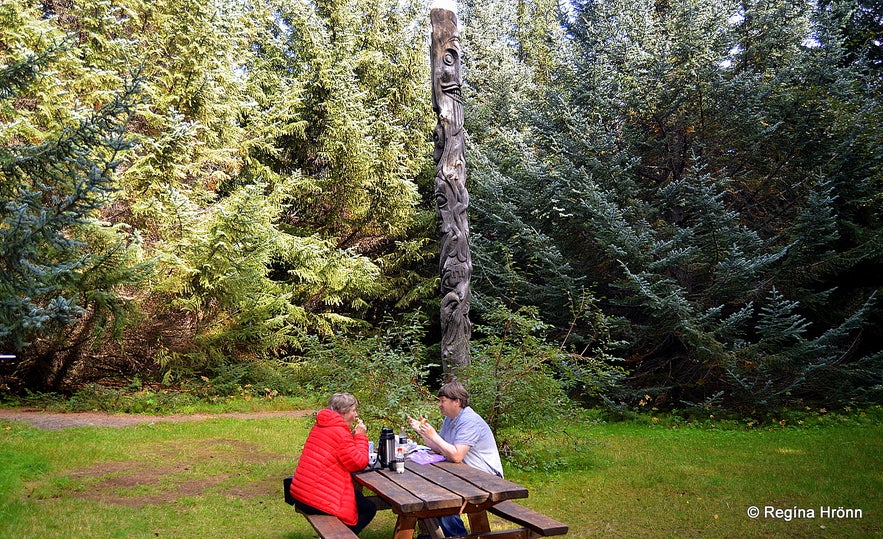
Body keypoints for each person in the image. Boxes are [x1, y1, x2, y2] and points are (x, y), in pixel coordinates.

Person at [409, 381, 503, 537]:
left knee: (442, 495)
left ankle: (456, 535)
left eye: (442, 401)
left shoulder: (469, 421)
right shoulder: (450, 418)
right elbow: (440, 447)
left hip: (487, 478)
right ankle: (439, 533)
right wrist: (423, 432)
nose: (439, 405)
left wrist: (434, 435)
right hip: (465, 473)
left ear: (457, 401)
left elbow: (457, 455)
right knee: (428, 486)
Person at [290, 393, 376, 535]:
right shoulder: (340, 432)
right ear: (344, 412)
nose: (355, 415)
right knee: (368, 508)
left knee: (358, 499)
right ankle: (340, 536)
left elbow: (342, 453)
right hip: (315, 498)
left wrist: (353, 438)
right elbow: (358, 463)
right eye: (353, 410)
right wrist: (360, 436)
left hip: (302, 490)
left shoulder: (322, 425)